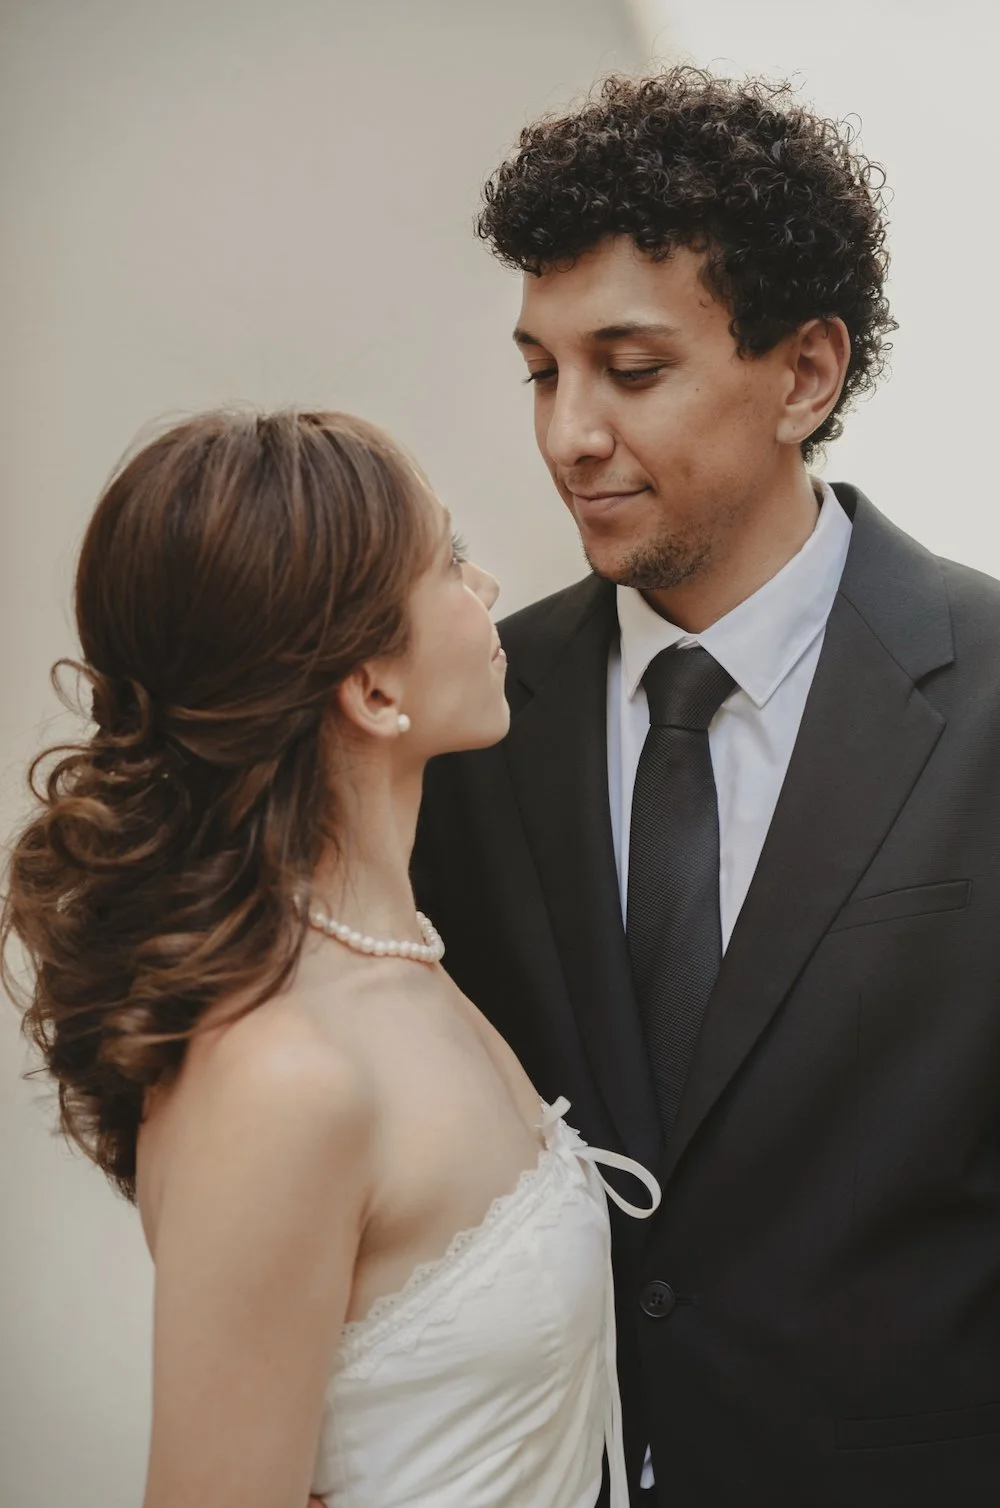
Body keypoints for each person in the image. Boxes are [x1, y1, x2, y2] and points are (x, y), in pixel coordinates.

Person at [412, 66, 1000, 1507]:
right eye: (543, 371)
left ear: (804, 374)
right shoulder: (468, 721)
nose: (568, 435)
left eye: (632, 367)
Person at [1, 410, 658, 1508]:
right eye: (447, 560)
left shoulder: (405, 964)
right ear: (373, 688)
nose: (488, 583)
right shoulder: (282, 1074)